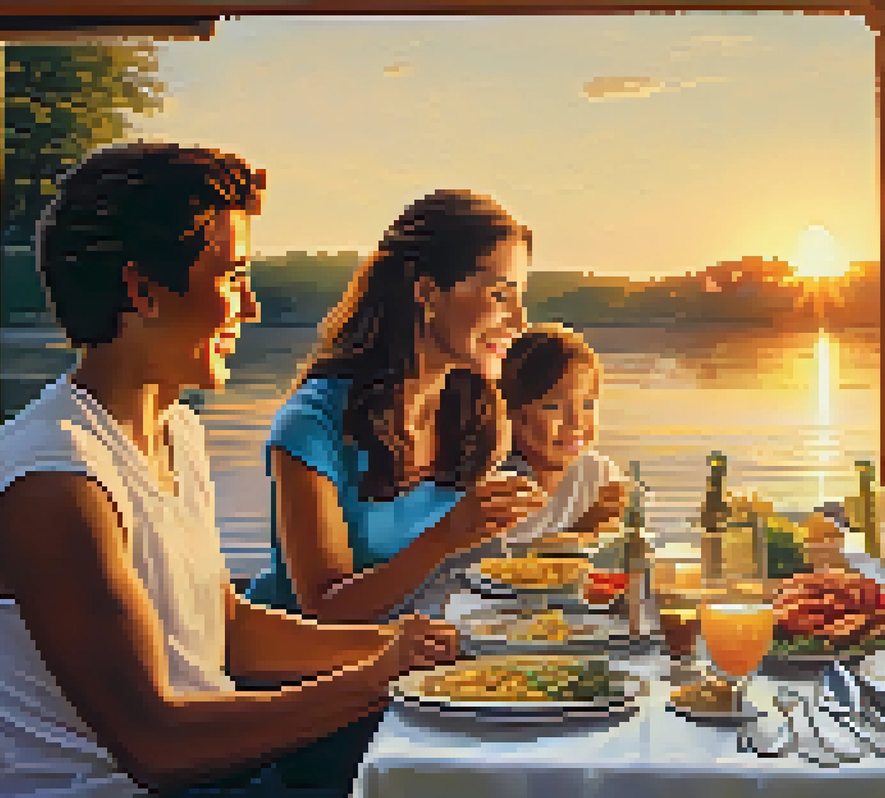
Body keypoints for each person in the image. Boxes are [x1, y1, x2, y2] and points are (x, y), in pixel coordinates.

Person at [0, 142, 456, 797]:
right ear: (142, 290)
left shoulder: (172, 430)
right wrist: (377, 677)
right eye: (232, 277)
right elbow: (157, 745)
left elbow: (229, 630)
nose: (251, 308)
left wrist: (402, 647)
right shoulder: (54, 482)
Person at [243, 190, 548, 627]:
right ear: (426, 291)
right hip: (311, 672)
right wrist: (447, 537)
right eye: (501, 295)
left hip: (419, 655)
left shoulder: (477, 413)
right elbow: (324, 608)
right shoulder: (312, 425)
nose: (520, 321)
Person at [495, 324, 629, 553]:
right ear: (509, 410)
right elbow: (486, 562)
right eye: (553, 406)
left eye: (587, 404)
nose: (576, 421)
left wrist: (614, 523)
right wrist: (580, 534)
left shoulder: (597, 474)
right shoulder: (493, 483)